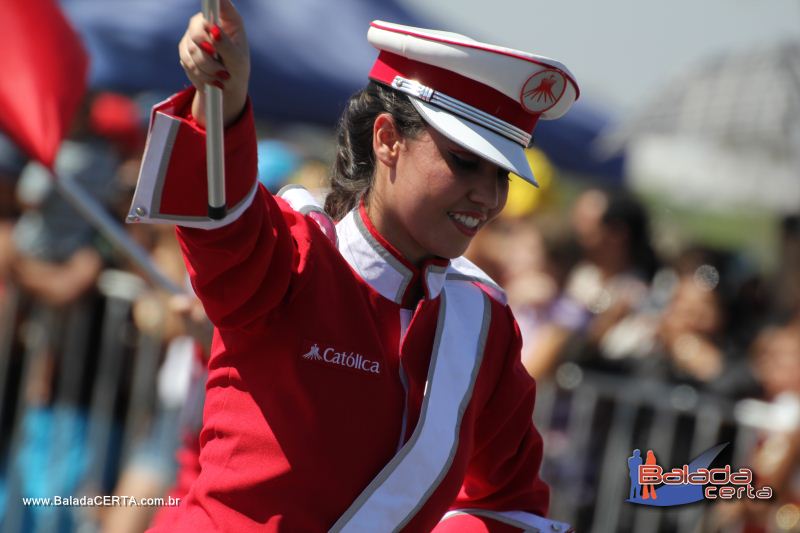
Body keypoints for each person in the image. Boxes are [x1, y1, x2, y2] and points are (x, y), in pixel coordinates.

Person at [127, 1, 579, 530]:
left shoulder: (484, 324)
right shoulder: (292, 253)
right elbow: (216, 216)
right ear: (387, 139)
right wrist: (221, 104)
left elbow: (510, 505)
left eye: (502, 175)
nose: (487, 195)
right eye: (464, 162)